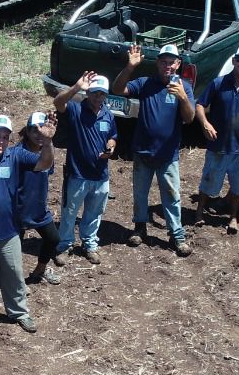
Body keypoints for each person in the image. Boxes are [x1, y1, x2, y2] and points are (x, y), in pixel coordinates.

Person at [0, 114, 53, 332]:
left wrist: (48, 141)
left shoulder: (15, 155)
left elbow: (44, 163)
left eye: (5, 137)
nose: (1, 141)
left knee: (14, 274)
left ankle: (19, 312)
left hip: (9, 231)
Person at [118, 44, 195, 255]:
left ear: (178, 64)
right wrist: (130, 67)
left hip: (168, 155)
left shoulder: (184, 87)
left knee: (172, 195)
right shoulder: (145, 83)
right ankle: (139, 228)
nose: (167, 66)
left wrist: (183, 97)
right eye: (163, 62)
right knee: (140, 194)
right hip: (143, 152)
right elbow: (118, 89)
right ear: (157, 63)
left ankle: (177, 236)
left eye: (171, 62)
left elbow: (189, 118)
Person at [195, 43, 239, 233]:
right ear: (234, 61)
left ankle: (233, 217)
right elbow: (200, 105)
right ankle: (199, 211)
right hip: (217, 146)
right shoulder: (218, 83)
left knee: (238, 186)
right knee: (208, 181)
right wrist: (205, 123)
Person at [53, 71, 118, 262]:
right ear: (88, 93)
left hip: (100, 175)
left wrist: (111, 147)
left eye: (102, 94)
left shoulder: (108, 115)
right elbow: (58, 102)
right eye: (95, 93)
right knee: (69, 212)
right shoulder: (75, 110)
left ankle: (89, 244)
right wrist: (76, 87)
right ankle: (65, 245)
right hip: (77, 174)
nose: (98, 97)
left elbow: (112, 136)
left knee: (94, 212)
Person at [13, 112, 63, 283]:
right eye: (34, 130)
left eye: (42, 129)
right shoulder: (17, 153)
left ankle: (39, 270)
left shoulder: (47, 151)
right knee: (14, 250)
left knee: (53, 239)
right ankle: (16, 281)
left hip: (38, 208)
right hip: (18, 210)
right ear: (26, 131)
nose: (39, 133)